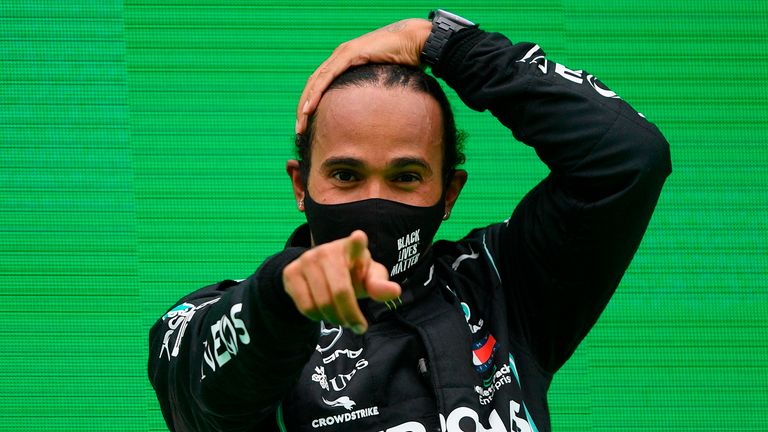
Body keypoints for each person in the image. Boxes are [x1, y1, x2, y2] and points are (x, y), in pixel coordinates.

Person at [148, 10, 671, 432]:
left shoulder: (502, 282)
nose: (374, 202)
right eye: (346, 175)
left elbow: (629, 157)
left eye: (405, 177)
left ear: (449, 194)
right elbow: (197, 397)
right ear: (300, 186)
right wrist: (282, 300)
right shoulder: (218, 316)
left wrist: (443, 43)